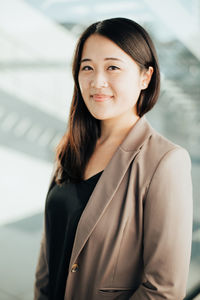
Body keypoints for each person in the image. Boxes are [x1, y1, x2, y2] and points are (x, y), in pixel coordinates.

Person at [34, 17, 193, 300]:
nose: (97, 81)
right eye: (87, 68)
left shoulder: (165, 161)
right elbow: (49, 258)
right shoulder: (71, 147)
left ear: (145, 77)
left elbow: (163, 291)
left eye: (112, 67)